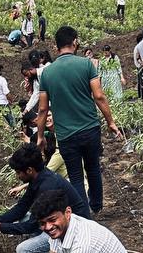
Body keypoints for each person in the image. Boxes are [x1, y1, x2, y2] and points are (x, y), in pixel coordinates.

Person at [37, 25, 121, 216]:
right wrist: (110, 122)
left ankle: (84, 215)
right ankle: (97, 205)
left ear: (56, 45)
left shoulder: (47, 74)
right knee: (92, 168)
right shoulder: (86, 65)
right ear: (75, 42)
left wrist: (40, 136)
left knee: (75, 176)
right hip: (90, 128)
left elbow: (43, 109)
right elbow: (99, 96)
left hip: (66, 134)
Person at [0, 148, 84, 253]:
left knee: (22, 250)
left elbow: (31, 226)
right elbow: (21, 208)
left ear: (29, 170)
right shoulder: (38, 178)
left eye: (18, 172)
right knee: (24, 217)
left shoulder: (47, 187)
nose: (18, 176)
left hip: (70, 230)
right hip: (55, 220)